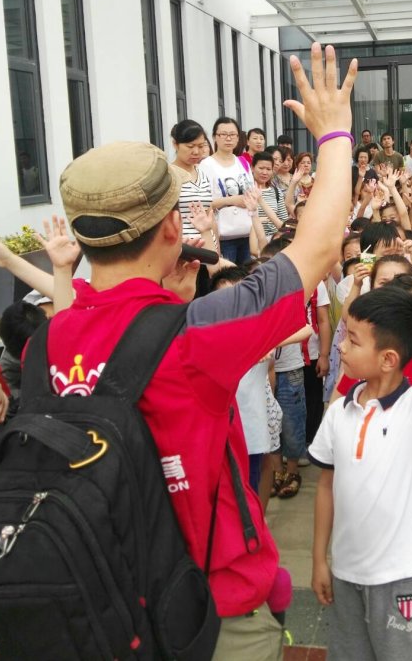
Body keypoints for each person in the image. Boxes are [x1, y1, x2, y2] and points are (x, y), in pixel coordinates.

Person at [42, 42, 358, 661]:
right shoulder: (197, 333)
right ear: (171, 228)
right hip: (207, 608)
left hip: (102, 603)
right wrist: (334, 135)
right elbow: (320, 247)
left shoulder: (47, 339)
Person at [308, 229, 412, 661]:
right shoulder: (338, 413)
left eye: (353, 341)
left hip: (403, 575)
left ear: (388, 359)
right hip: (346, 571)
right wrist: (320, 559)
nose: (342, 347)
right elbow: (325, 487)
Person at [199, 117, 254, 264]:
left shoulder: (243, 162)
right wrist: (232, 200)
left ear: (238, 138)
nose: (228, 138)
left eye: (232, 134)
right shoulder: (206, 165)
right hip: (224, 236)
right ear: (214, 137)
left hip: (247, 232)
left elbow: (252, 192)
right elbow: (204, 203)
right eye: (223, 134)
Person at [170, 120, 214, 239]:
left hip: (208, 243)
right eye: (190, 146)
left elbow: (210, 213)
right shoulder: (169, 175)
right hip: (184, 245)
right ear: (175, 144)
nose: (196, 152)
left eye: (201, 146)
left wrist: (216, 245)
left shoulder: (203, 173)